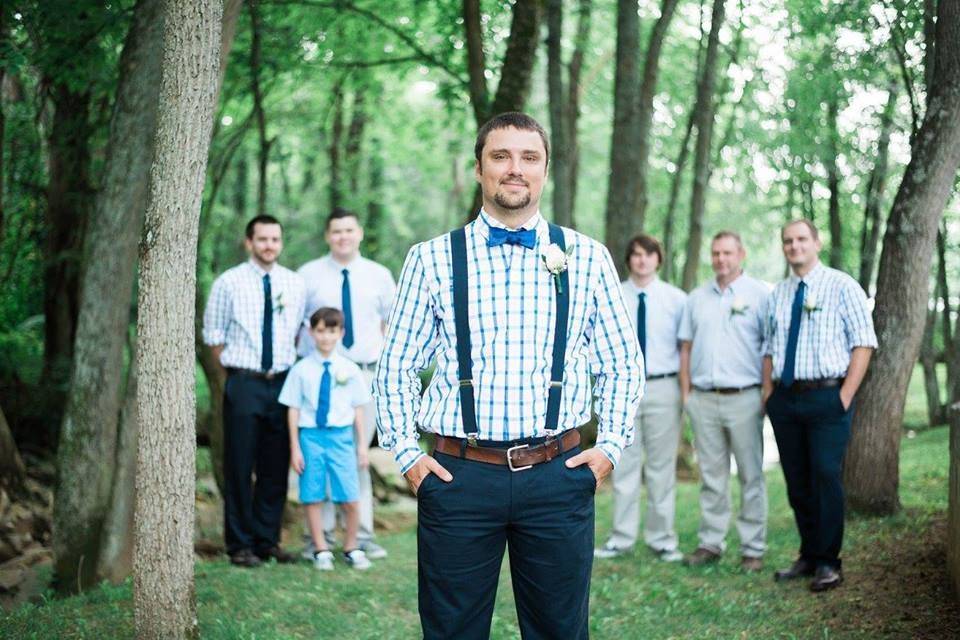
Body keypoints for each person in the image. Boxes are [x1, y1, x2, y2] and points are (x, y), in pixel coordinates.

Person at [375, 112, 643, 639]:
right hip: (458, 476)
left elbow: (622, 362)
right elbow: (397, 366)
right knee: (452, 629)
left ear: (546, 170)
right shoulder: (431, 259)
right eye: (500, 156)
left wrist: (609, 448)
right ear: (479, 168)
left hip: (558, 473)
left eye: (529, 157)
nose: (514, 169)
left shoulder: (587, 257)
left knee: (560, 630)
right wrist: (408, 457)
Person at [762, 219, 877, 592]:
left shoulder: (843, 286)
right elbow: (768, 347)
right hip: (785, 400)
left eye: (801, 239)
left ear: (816, 242)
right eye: (788, 241)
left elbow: (864, 342)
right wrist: (769, 393)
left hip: (827, 397)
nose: (794, 246)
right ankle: (809, 554)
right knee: (797, 481)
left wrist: (844, 395)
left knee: (825, 476)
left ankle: (829, 561)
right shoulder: (777, 294)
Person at [202, 215, 306, 567]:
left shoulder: (294, 284)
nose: (269, 246)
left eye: (275, 239)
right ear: (249, 242)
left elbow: (297, 334)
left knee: (275, 468)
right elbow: (213, 338)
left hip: (282, 382)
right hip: (244, 381)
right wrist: (232, 378)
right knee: (240, 464)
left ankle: (267, 541)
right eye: (262, 239)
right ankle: (240, 545)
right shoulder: (228, 283)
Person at [297, 208, 395, 561]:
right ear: (327, 236)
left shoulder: (379, 275)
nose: (343, 236)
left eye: (349, 230)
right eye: (336, 231)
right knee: (319, 455)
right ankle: (318, 539)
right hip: (320, 377)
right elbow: (299, 327)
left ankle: (362, 535)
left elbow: (390, 325)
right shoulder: (308, 275)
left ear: (360, 233)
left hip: (365, 376)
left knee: (358, 456)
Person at [678, 231, 769, 572]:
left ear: (741, 254)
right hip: (703, 399)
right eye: (716, 253)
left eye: (727, 253)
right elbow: (685, 348)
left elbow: (769, 347)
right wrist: (687, 395)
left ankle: (753, 548)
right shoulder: (696, 298)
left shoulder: (759, 295)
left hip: (745, 397)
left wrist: (764, 393)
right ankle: (711, 542)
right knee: (712, 477)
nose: (721, 259)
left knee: (750, 475)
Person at [595, 234, 687, 562]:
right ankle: (621, 538)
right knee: (625, 465)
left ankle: (663, 539)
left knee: (662, 466)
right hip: (624, 390)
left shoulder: (676, 300)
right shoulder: (614, 296)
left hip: (664, 387)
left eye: (648, 254)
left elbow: (684, 348)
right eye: (635, 255)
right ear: (629, 260)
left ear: (658, 259)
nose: (642, 260)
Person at [280, 307, 373, 571]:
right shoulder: (301, 370)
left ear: (340, 333)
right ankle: (321, 548)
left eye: (331, 331)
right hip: (311, 437)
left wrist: (362, 446)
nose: (325, 337)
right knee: (312, 493)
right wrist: (295, 448)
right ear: (311, 333)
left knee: (350, 495)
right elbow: (293, 409)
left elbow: (358, 409)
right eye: (320, 331)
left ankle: (351, 546)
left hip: (342, 437)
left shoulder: (349, 369)